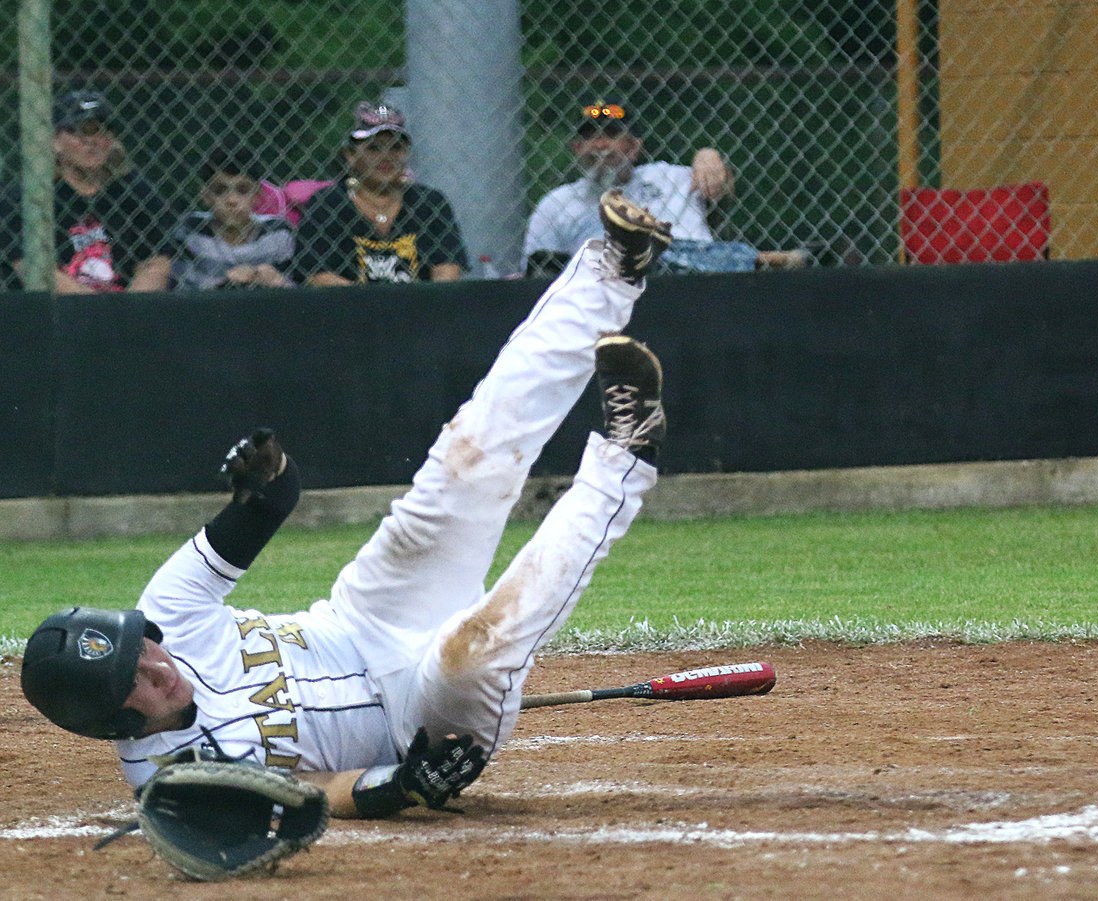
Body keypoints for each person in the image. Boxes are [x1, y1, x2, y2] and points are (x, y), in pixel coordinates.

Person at [20, 189, 673, 820]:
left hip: (367, 616)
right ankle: (628, 453)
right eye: (132, 674)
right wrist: (403, 783)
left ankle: (612, 270)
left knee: (462, 462)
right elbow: (318, 792)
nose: (154, 662)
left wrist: (261, 476)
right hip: (417, 720)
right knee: (475, 649)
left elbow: (274, 499)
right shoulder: (175, 776)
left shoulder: (165, 615)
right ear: (112, 719)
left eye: (140, 647)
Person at [523, 101, 808, 278]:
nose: (600, 144)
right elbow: (538, 269)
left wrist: (710, 156)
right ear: (576, 149)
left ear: (635, 147)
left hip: (693, 284)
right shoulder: (556, 203)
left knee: (653, 244)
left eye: (612, 135)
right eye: (590, 137)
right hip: (611, 291)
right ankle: (759, 261)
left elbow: (723, 188)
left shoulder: (670, 177)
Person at [0, 90, 172, 293]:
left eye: (101, 131)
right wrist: (94, 312)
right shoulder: (26, 198)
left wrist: (127, 313)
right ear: (55, 140)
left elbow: (156, 263)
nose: (92, 140)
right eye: (80, 131)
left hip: (127, 312)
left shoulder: (135, 192)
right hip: (57, 314)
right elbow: (32, 269)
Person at [292, 101, 468, 286]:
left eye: (396, 147)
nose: (386, 156)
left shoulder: (430, 203)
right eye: (374, 148)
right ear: (350, 155)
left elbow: (448, 269)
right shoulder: (327, 204)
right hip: (349, 309)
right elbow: (317, 276)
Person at [169, 146, 295, 290]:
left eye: (243, 190)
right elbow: (182, 287)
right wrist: (230, 281)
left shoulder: (276, 233)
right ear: (205, 195)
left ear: (257, 195)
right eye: (220, 190)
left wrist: (270, 279)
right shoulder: (191, 230)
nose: (232, 200)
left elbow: (294, 290)